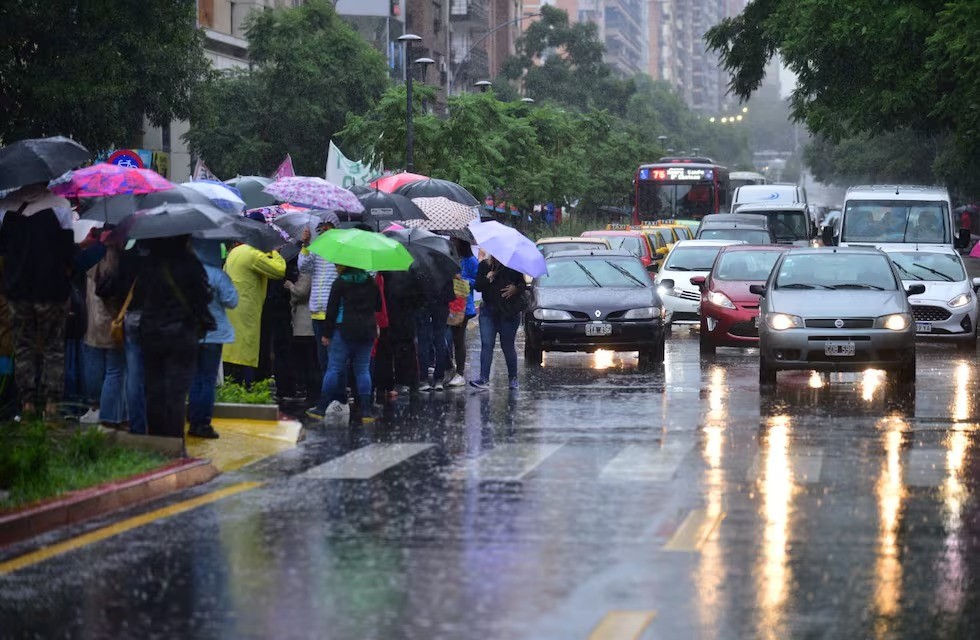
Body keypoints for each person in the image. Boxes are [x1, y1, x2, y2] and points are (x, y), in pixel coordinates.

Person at [0, 183, 75, 419]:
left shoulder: (5, 206)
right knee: (53, 348)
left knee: (23, 348)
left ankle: (27, 406)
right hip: (51, 292)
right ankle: (52, 407)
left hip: (17, 292)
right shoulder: (60, 206)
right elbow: (68, 253)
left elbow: (2, 250)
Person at [137, 235, 213, 443]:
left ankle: (156, 441)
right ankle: (173, 443)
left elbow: (140, 292)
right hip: (181, 335)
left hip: (151, 333)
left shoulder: (148, 262)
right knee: (176, 392)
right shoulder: (190, 262)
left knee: (154, 390)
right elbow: (202, 296)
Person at [306, 265, 381, 423]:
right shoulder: (370, 282)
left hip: (343, 330)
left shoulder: (340, 282)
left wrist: (326, 333)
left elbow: (331, 310)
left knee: (334, 368)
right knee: (362, 370)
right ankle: (366, 411)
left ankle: (321, 408)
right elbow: (378, 305)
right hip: (367, 330)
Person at [187, 241, 239, 439]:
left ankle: (192, 418)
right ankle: (203, 423)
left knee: (194, 378)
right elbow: (232, 301)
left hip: (192, 333)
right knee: (208, 379)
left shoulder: (189, 275)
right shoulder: (219, 275)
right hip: (214, 334)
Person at [222, 238, 286, 386]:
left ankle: (234, 387)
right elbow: (279, 270)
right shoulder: (253, 254)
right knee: (247, 353)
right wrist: (275, 252)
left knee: (233, 354)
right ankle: (247, 387)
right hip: (247, 312)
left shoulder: (233, 253)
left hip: (232, 310)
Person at [81, 239, 128, 428]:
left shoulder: (91, 255)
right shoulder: (121, 257)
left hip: (92, 320)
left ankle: (94, 408)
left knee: (94, 365)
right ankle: (109, 415)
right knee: (115, 370)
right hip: (114, 320)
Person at [470, 253, 526, 391]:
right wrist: (487, 278)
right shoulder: (484, 266)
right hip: (488, 311)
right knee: (487, 344)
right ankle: (484, 378)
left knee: (507, 346)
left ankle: (513, 378)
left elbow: (522, 285)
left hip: (508, 312)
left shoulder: (513, 267)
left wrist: (516, 289)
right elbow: (478, 286)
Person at [298, 223, 338, 375]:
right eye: (320, 230)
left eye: (326, 228)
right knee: (322, 358)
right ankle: (327, 393)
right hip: (316, 310)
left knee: (333, 357)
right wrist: (306, 245)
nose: (323, 232)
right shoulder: (316, 248)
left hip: (332, 311)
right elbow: (303, 267)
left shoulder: (339, 250)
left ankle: (336, 391)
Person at [445, 238, 478, 387]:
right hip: (449, 303)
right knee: (446, 338)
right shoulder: (450, 259)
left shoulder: (471, 261)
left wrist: (462, 279)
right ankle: (450, 369)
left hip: (463, 305)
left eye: (455, 241)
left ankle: (460, 372)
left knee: (458, 339)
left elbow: (478, 283)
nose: (452, 243)